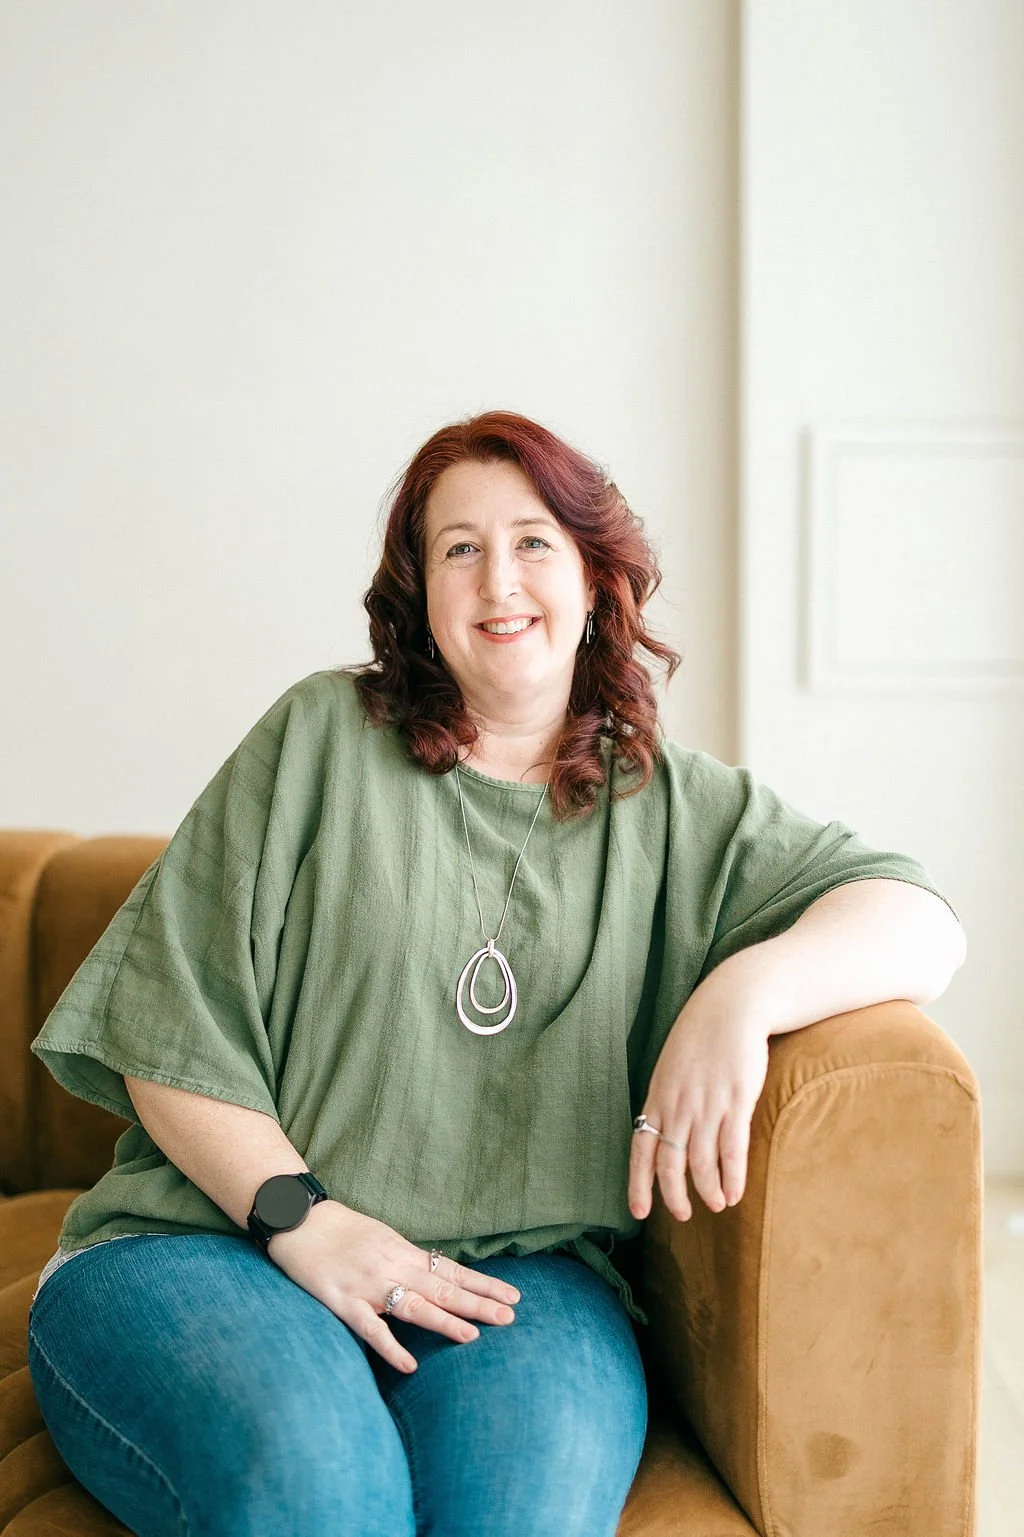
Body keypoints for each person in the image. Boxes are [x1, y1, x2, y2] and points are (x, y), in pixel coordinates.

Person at [27, 410, 965, 1537]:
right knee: (319, 1496)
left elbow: (919, 920)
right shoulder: (320, 738)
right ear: (419, 592)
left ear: (592, 576)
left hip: (519, 1286)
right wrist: (310, 1224)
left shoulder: (673, 807)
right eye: (456, 547)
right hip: (214, 1244)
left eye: (531, 541)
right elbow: (166, 1036)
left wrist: (740, 994)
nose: (496, 577)